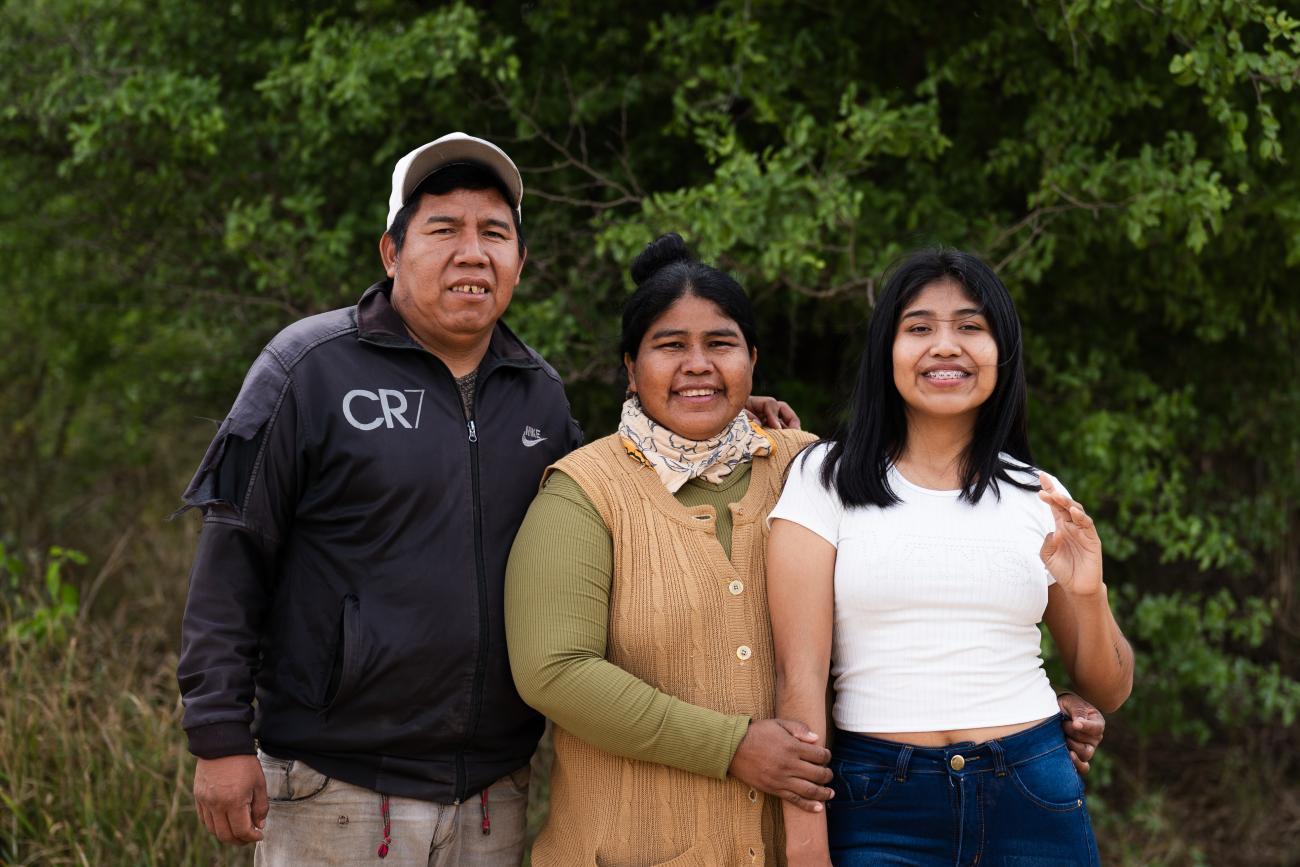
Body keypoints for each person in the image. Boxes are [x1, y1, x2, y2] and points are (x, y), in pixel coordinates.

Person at [176, 133, 796, 866]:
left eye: (494, 234)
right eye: (444, 229)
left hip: (493, 792)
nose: (472, 253)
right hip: (337, 783)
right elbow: (235, 552)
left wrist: (718, 409)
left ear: (519, 262)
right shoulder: (309, 368)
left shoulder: (536, 389)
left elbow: (618, 482)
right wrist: (219, 736)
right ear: (391, 252)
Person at [503, 236, 1108, 866]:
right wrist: (732, 746)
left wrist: (1033, 723)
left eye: (720, 344)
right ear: (631, 368)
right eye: (670, 346)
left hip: (802, 839)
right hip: (632, 843)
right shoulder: (585, 492)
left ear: (752, 360)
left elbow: (902, 610)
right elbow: (555, 671)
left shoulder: (809, 465)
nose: (698, 365)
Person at [767, 249, 1134, 866]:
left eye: (970, 326)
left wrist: (1089, 594)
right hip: (878, 803)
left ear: (1001, 352)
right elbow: (797, 683)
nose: (945, 346)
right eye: (919, 328)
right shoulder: (823, 478)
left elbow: (1109, 689)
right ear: (887, 351)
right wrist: (807, 851)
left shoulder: (1039, 494)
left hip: (1032, 790)